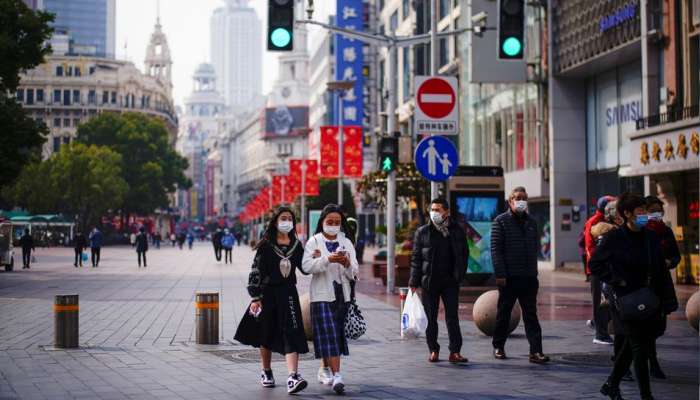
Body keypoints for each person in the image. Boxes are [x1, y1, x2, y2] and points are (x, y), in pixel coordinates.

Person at [590, 193, 677, 400]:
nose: (645, 215)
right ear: (626, 214)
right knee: (639, 348)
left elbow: (661, 270)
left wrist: (668, 299)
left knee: (632, 346)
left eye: (645, 211)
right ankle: (646, 395)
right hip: (626, 300)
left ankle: (611, 384)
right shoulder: (614, 237)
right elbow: (595, 264)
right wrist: (616, 280)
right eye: (640, 211)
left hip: (649, 298)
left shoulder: (651, 237)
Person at [234, 207, 309, 394]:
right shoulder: (266, 245)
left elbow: (305, 268)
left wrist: (316, 259)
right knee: (266, 334)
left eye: (290, 218)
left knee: (292, 331)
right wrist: (255, 297)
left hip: (289, 293)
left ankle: (293, 376)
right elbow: (256, 271)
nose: (287, 221)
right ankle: (266, 371)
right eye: (283, 218)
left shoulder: (296, 245)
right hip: (268, 294)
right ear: (276, 221)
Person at [301, 204, 359, 394]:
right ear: (323, 222)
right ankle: (337, 376)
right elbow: (306, 266)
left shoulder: (346, 242)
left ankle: (325, 369)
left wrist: (347, 263)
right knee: (330, 334)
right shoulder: (314, 241)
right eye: (329, 222)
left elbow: (354, 273)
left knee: (334, 335)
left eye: (337, 222)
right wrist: (327, 259)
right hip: (321, 295)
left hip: (342, 294)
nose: (333, 225)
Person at [491, 187, 550, 364]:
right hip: (508, 278)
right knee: (504, 313)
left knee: (531, 315)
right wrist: (500, 274)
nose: (521, 200)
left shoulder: (532, 222)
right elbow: (496, 250)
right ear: (510, 201)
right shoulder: (500, 221)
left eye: (524, 198)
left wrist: (535, 273)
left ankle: (536, 351)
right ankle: (498, 346)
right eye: (517, 198)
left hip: (529, 278)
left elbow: (534, 249)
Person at [408, 198, 469, 364]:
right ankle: (433, 350)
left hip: (450, 282)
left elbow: (464, 254)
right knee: (430, 318)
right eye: (432, 209)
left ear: (446, 212)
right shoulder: (423, 232)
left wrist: (460, 275)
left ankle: (455, 352)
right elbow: (416, 258)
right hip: (430, 282)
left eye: (438, 209)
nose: (434, 213)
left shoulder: (457, 230)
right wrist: (414, 281)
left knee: (452, 318)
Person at [644, 195, 680, 379]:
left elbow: (676, 256)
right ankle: (651, 363)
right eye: (652, 211)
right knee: (646, 327)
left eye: (659, 210)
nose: (656, 214)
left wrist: (670, 262)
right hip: (642, 286)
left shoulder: (665, 231)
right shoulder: (638, 228)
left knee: (659, 327)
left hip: (661, 284)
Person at [584, 195, 616, 340]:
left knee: (610, 300)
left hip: (610, 268)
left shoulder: (609, 221)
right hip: (597, 270)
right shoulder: (594, 222)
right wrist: (599, 265)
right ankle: (600, 333)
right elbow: (590, 247)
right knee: (599, 301)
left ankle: (596, 323)